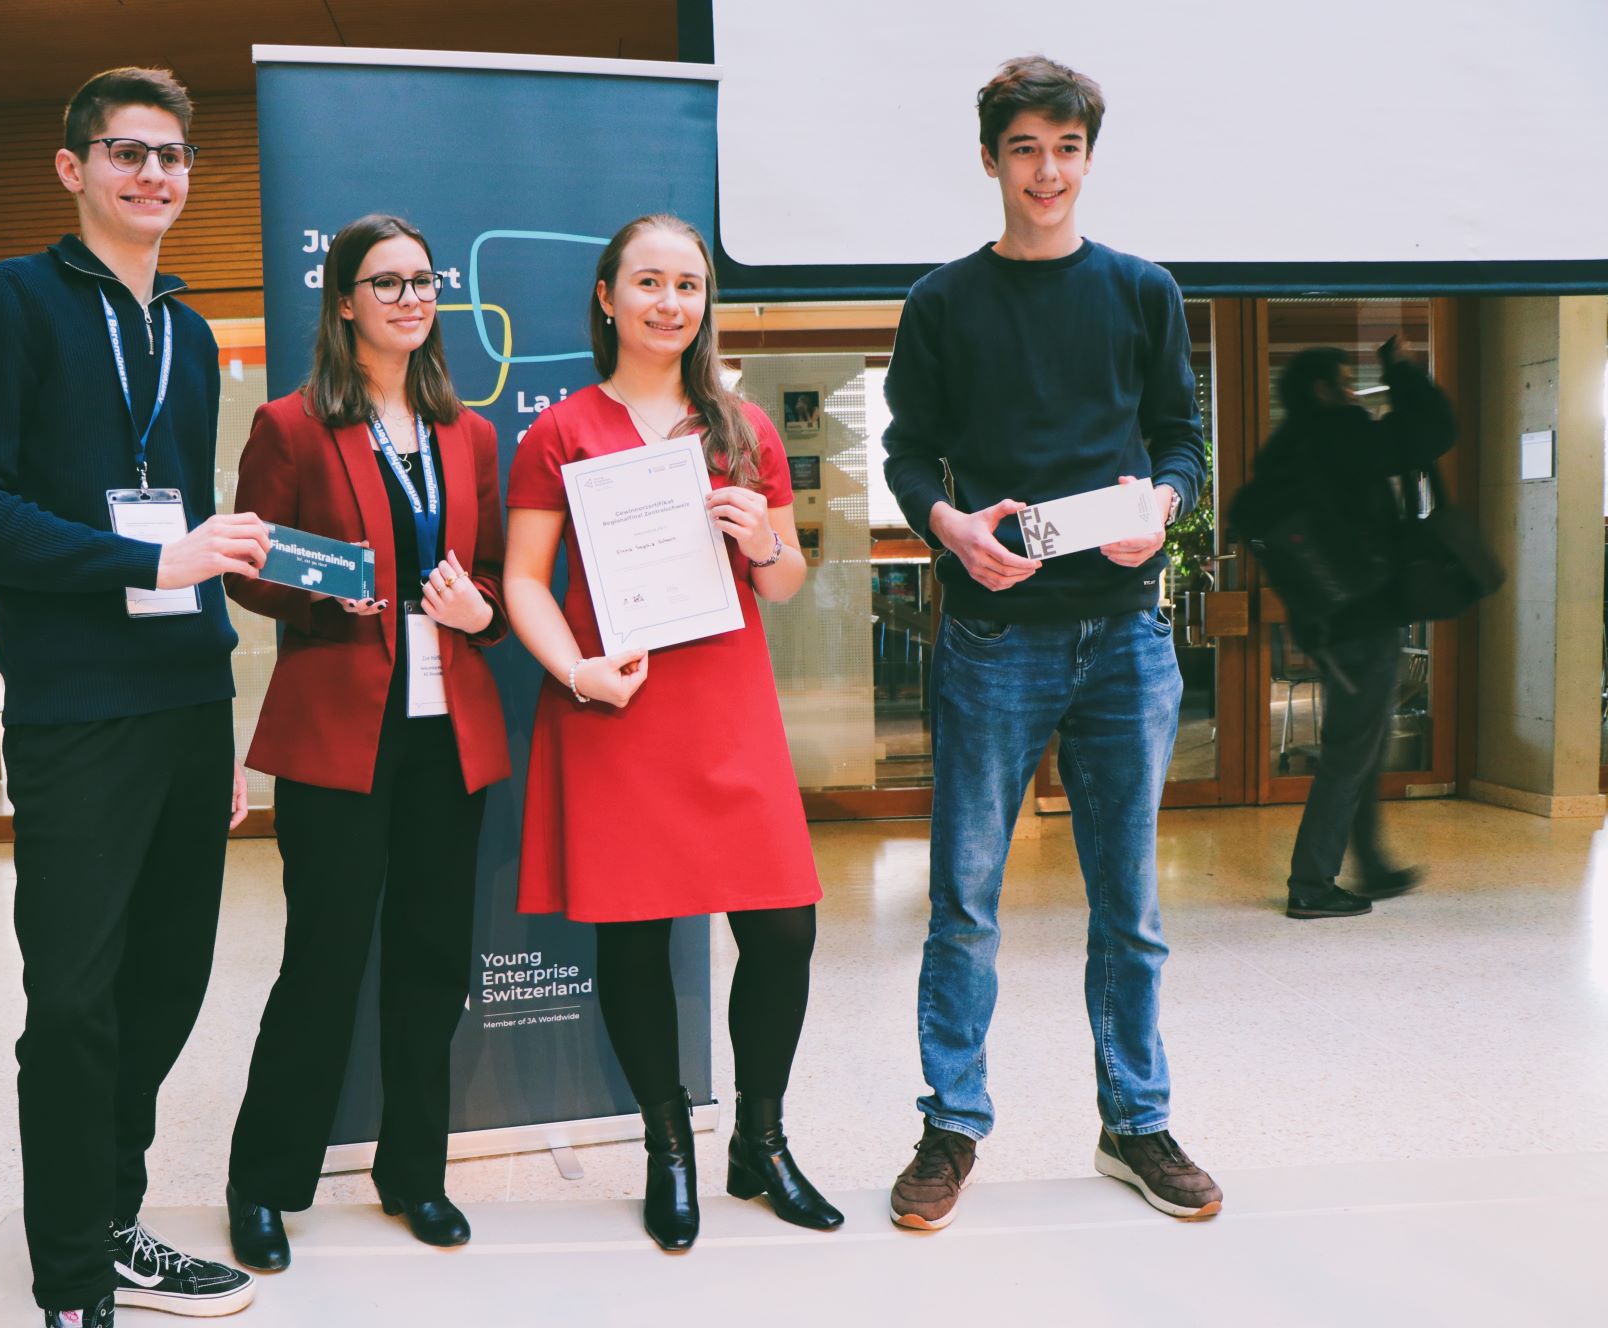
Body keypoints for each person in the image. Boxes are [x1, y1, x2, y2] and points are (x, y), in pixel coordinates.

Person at [0, 68, 264, 1328]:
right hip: (76, 712)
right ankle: (70, 1281)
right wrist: (143, 561)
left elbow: (179, 515)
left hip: (182, 703)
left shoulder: (182, 326)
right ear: (71, 168)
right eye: (125, 151)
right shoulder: (14, 299)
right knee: (72, 1000)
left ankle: (110, 1221)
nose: (152, 174)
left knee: (164, 989)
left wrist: (217, 717)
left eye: (171, 155)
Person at [878, 56, 1222, 1230]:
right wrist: (948, 527)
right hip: (991, 635)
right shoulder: (940, 304)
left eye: (1065, 149)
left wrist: (1160, 510)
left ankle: (1134, 1122)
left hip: (1124, 635)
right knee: (963, 901)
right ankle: (950, 1124)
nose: (1046, 171)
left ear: (1087, 158)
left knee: (1127, 903)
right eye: (1023, 148)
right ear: (990, 161)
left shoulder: (1141, 291)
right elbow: (909, 454)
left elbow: (1180, 440)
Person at [503, 214, 841, 1253]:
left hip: (724, 706)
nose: (668, 302)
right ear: (606, 296)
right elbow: (522, 578)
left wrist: (761, 538)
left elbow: (784, 580)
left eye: (687, 285)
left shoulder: (741, 430)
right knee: (633, 935)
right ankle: (666, 1144)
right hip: (615, 704)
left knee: (782, 927)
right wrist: (575, 671)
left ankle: (761, 1141)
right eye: (646, 282)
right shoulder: (558, 431)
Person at [223, 215, 511, 1265]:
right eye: (384, 283)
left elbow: (485, 576)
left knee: (433, 963)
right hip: (340, 735)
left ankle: (413, 1174)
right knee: (324, 961)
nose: (409, 298)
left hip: (447, 731)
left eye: (422, 281)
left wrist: (479, 610)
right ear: (342, 300)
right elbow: (248, 563)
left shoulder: (468, 433)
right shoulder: (292, 425)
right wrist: (328, 594)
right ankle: (264, 1182)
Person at [1233, 338, 1454, 919]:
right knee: (1350, 754)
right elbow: (1432, 434)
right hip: (1363, 616)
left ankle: (1371, 862)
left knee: (1361, 745)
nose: (1354, 394)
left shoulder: (1281, 451)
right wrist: (1402, 373)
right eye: (1346, 384)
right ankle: (1311, 884)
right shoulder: (1341, 435)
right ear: (1323, 390)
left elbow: (1247, 517)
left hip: (1326, 620)